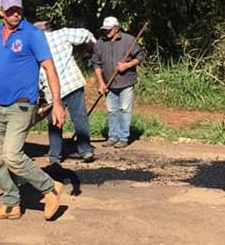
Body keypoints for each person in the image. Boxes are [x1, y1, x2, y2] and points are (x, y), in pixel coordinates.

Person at [0, 0, 67, 221]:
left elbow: (50, 68)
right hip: (0, 105)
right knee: (0, 158)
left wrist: (57, 103)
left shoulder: (32, 34)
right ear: (1, 12)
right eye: (9, 10)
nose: (15, 14)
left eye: (18, 9)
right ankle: (11, 205)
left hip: (22, 105)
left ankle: (50, 188)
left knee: (11, 155)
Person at [34, 20, 96, 164]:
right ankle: (85, 151)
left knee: (55, 122)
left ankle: (55, 156)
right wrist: (92, 46)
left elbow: (36, 72)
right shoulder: (63, 34)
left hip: (51, 89)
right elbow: (86, 34)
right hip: (72, 83)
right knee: (80, 118)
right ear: (49, 29)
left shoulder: (35, 45)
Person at [91, 16, 143, 148]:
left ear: (116, 28)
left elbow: (139, 58)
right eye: (105, 30)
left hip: (126, 82)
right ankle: (112, 136)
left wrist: (127, 65)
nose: (107, 32)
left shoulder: (129, 40)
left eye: (109, 30)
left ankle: (123, 138)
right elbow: (96, 64)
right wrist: (101, 83)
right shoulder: (100, 43)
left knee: (125, 109)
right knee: (111, 110)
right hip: (109, 84)